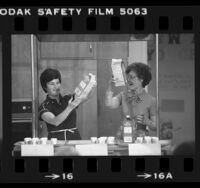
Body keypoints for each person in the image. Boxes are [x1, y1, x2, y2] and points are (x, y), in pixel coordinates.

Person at [39, 68, 93, 140]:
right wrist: (70, 107)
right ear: (45, 87)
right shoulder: (44, 106)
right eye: (52, 84)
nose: (56, 86)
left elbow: (86, 96)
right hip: (57, 143)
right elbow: (55, 121)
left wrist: (90, 84)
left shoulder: (68, 99)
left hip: (75, 140)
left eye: (57, 83)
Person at [105, 62, 157, 138]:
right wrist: (110, 86)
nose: (128, 80)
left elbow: (155, 127)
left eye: (132, 77)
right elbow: (110, 104)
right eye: (128, 77)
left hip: (141, 140)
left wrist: (147, 121)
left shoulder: (151, 100)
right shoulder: (123, 95)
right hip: (125, 137)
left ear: (141, 79)